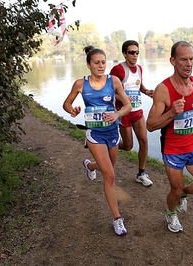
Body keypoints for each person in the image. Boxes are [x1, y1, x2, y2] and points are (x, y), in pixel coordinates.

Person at [146, 41, 193, 233]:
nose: (188, 64)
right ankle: (171, 213)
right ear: (173, 61)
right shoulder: (163, 89)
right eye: (183, 59)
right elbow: (150, 125)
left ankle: (183, 194)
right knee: (174, 191)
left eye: (191, 59)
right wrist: (170, 114)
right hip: (173, 150)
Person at [62, 46, 132, 236]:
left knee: (105, 168)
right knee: (110, 176)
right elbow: (66, 104)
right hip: (95, 135)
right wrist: (72, 110)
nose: (101, 66)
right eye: (96, 63)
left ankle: (90, 166)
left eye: (103, 62)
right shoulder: (80, 84)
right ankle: (117, 218)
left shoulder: (114, 81)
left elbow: (128, 105)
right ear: (88, 65)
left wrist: (117, 113)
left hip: (112, 133)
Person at [110, 40, 154, 187]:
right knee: (128, 146)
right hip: (123, 113)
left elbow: (138, 85)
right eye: (131, 52)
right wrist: (121, 98)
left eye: (137, 52)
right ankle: (108, 145)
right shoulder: (118, 70)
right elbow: (108, 91)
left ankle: (141, 173)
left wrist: (147, 91)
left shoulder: (140, 69)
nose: (135, 55)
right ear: (124, 54)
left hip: (138, 111)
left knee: (144, 140)